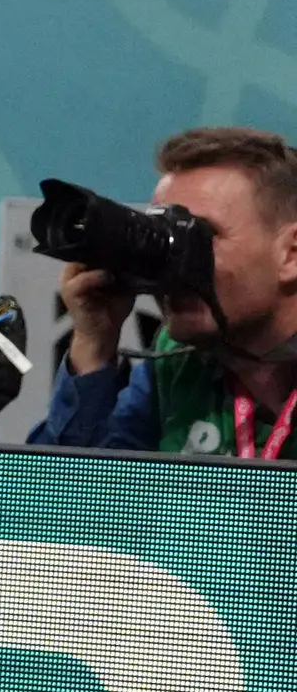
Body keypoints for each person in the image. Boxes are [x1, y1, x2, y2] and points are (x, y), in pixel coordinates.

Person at [37, 125, 297, 455]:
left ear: (291, 254)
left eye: (200, 234)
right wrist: (93, 345)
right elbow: (71, 495)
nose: (171, 261)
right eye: (163, 232)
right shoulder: (179, 360)